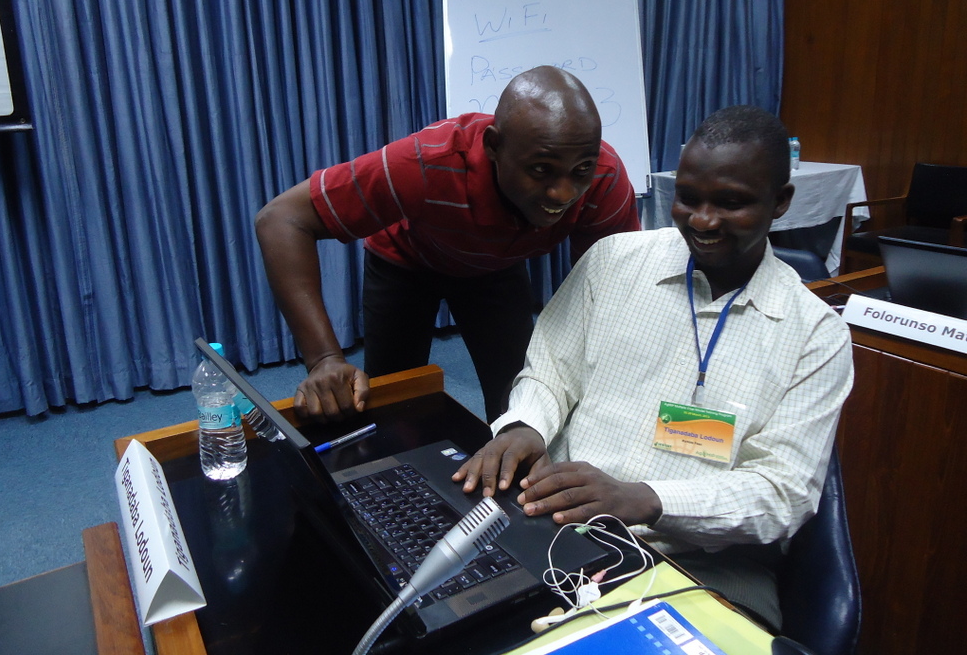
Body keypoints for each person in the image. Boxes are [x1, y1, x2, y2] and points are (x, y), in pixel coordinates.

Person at [453, 105, 854, 631]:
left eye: (731, 203)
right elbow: (550, 370)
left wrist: (643, 498)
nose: (703, 220)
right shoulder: (613, 261)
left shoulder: (816, 335)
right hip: (562, 532)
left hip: (702, 565)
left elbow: (783, 493)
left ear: (780, 202)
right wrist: (527, 423)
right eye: (688, 198)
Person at [255, 66, 640, 423]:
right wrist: (324, 358)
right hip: (406, 263)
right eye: (541, 169)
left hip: (496, 268)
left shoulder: (603, 177)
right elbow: (281, 219)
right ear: (493, 146)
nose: (564, 192)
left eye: (581, 170)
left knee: (520, 398)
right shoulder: (426, 162)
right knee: (394, 400)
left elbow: (612, 290)